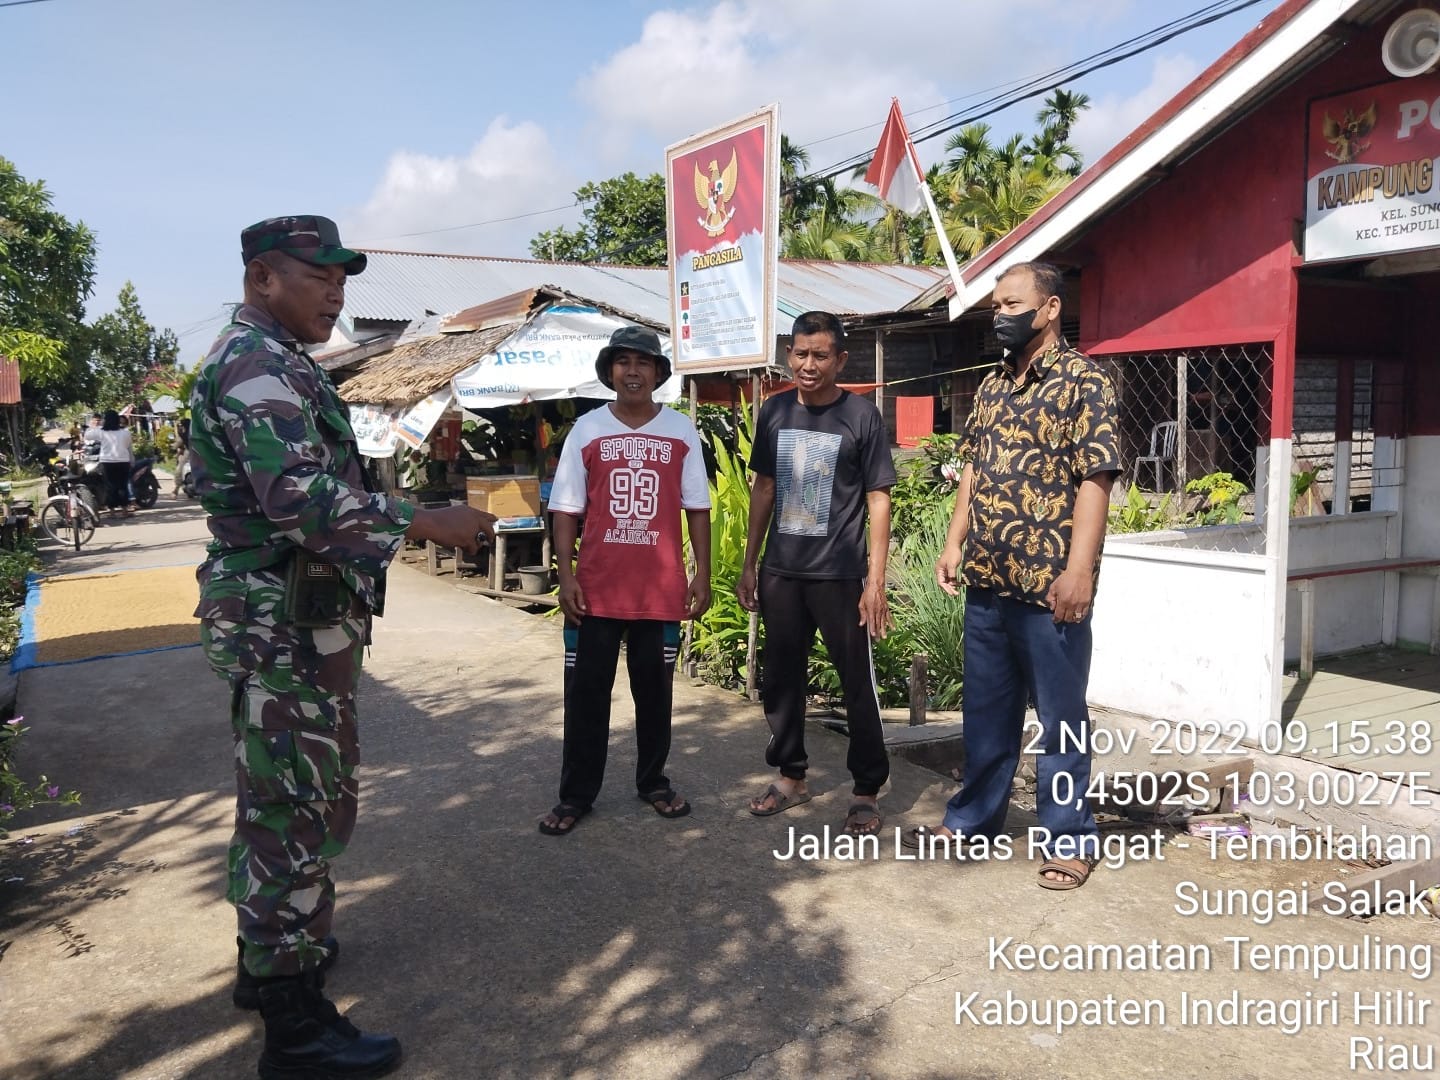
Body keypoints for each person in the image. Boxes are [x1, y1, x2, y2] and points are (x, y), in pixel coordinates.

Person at [190, 215, 495, 1078]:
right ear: (262, 279)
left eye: (343, 280)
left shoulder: (278, 361)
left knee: (293, 796)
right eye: (318, 277)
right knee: (294, 809)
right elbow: (300, 500)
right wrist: (426, 518)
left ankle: (271, 965)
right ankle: (296, 1028)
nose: (336, 293)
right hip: (280, 627)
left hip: (294, 621)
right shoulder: (255, 365)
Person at [930, 261, 1120, 891]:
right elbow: (974, 473)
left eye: (1012, 304)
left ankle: (1069, 839)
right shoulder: (990, 387)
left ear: (1049, 309)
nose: (1000, 315)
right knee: (986, 713)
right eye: (996, 305)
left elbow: (1095, 481)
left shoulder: (1084, 383)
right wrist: (955, 542)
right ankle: (974, 819)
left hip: (1049, 587)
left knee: (1061, 719)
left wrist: (1080, 571)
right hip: (987, 580)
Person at [539, 325, 711, 836]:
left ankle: (653, 782)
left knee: (655, 693)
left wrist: (701, 573)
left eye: (643, 363)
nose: (632, 372)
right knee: (586, 695)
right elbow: (566, 509)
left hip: (657, 592)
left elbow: (697, 508)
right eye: (623, 362)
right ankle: (575, 796)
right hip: (595, 592)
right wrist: (565, 575)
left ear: (658, 373)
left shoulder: (680, 431)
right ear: (610, 372)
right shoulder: (587, 431)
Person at [738, 310, 895, 837]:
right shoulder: (775, 411)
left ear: (840, 359)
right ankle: (790, 776)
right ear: (790, 356)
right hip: (783, 569)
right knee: (781, 678)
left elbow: (878, 498)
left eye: (820, 355)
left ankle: (866, 789)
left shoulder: (861, 416)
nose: (809, 365)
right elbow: (763, 489)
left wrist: (876, 580)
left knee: (856, 683)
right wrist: (749, 563)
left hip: (842, 574)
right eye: (801, 354)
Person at [93, 409, 133, 515]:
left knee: (110, 486)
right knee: (122, 486)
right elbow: (128, 446)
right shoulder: (125, 433)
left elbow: (88, 435)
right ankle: (124, 510)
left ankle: (112, 511)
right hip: (123, 461)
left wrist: (96, 425)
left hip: (107, 462)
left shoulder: (101, 432)